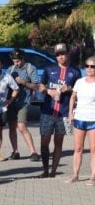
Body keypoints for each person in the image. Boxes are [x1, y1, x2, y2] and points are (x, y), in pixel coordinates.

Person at [38, 43, 81, 178]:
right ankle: (45, 169)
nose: (61, 57)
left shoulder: (75, 71)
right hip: (48, 111)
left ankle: (53, 172)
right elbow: (40, 86)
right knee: (44, 142)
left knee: (58, 142)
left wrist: (69, 89)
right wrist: (48, 91)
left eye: (63, 53)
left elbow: (79, 91)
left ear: (68, 54)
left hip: (63, 113)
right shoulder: (49, 69)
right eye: (58, 55)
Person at [5, 49, 40, 161]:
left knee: (21, 126)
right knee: (11, 127)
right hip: (11, 101)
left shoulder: (30, 68)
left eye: (18, 61)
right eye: (15, 61)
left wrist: (23, 83)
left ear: (23, 58)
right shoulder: (10, 69)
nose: (17, 63)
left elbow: (36, 86)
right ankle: (15, 152)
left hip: (23, 102)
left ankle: (33, 152)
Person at [67, 56, 95, 184]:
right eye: (87, 66)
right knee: (78, 148)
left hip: (93, 120)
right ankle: (75, 174)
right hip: (79, 118)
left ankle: (93, 176)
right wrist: (70, 113)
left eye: (92, 66)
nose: (89, 69)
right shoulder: (80, 81)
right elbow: (73, 97)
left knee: (93, 149)